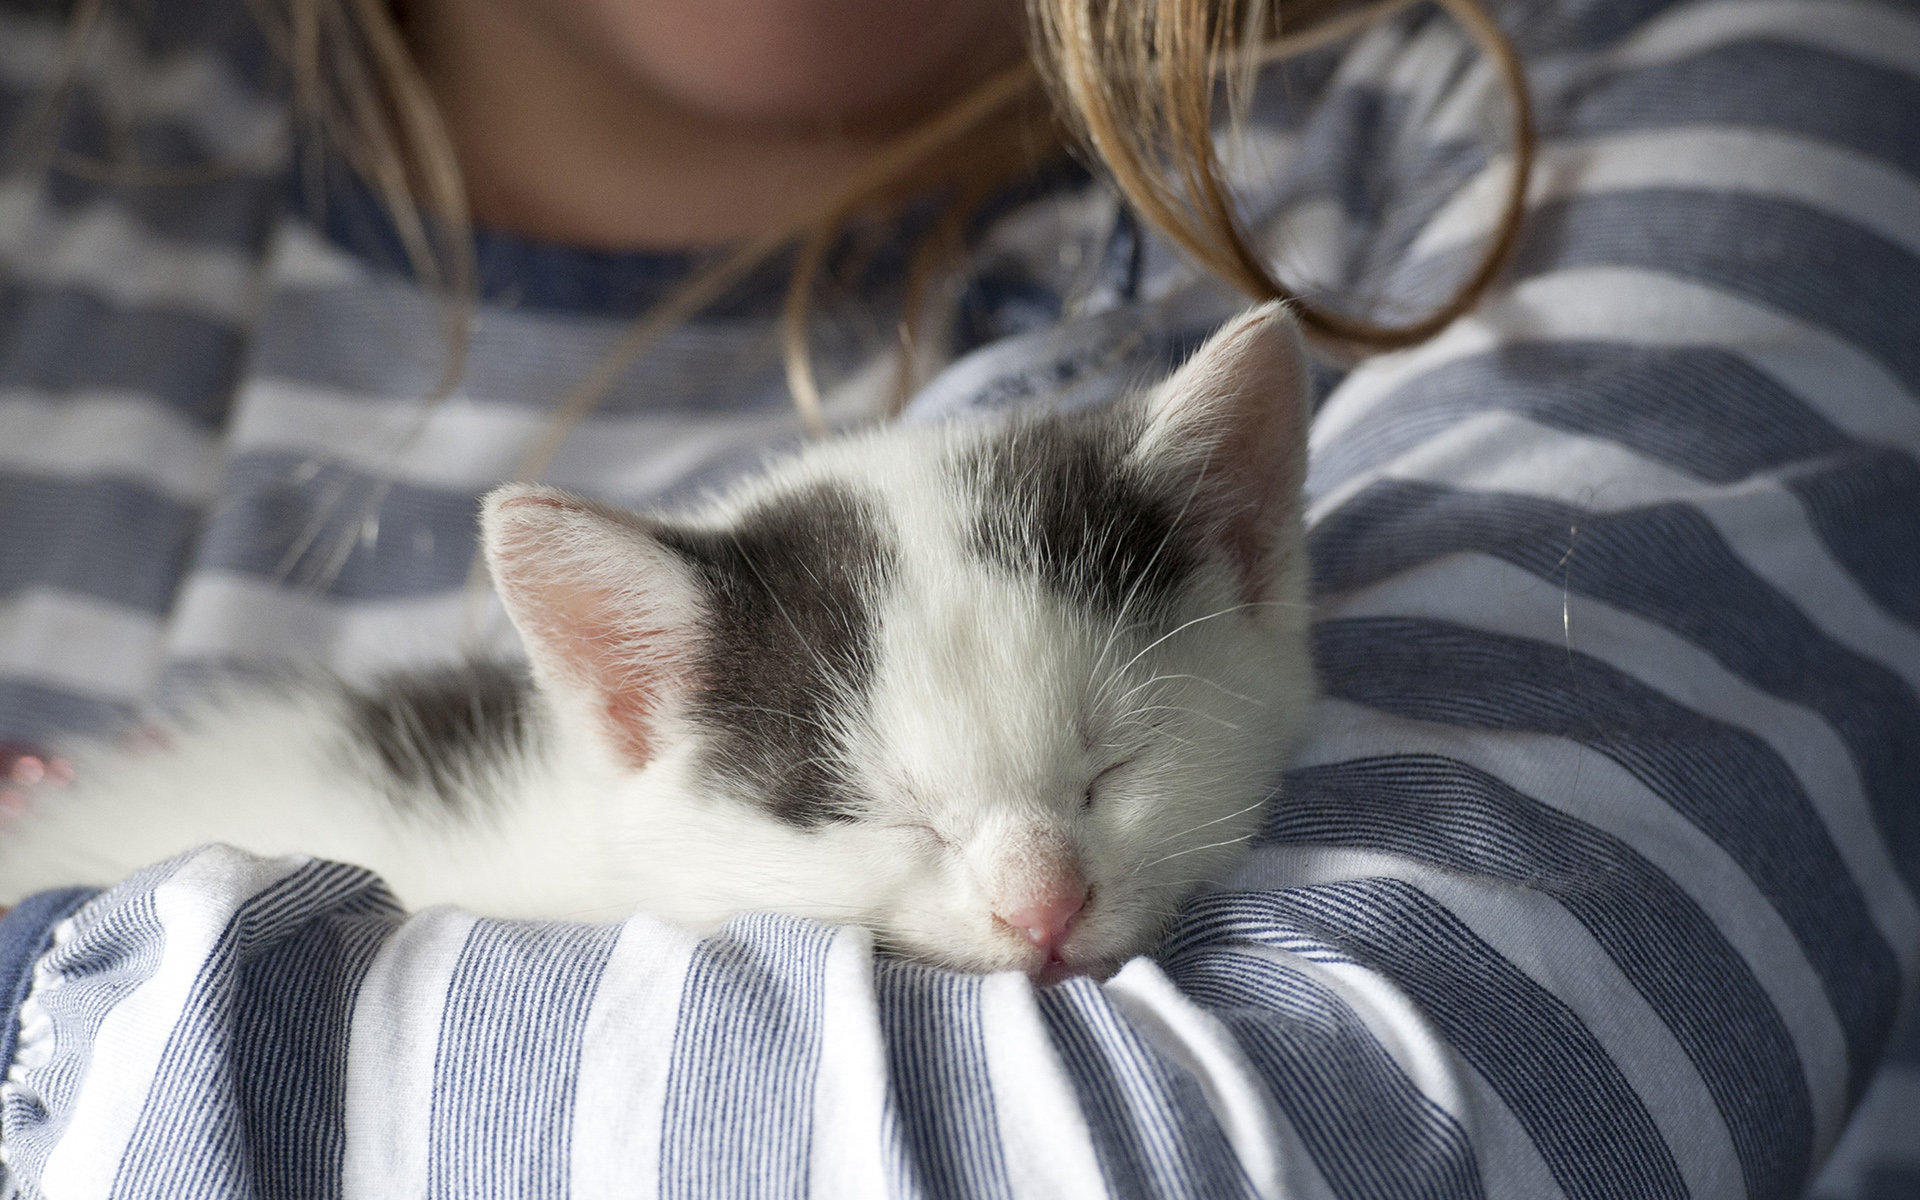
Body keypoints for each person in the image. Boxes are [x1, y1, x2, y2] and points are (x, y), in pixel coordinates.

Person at [1, 0, 1915, 1196]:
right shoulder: (72, 152)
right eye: (902, 821)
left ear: (1249, 550)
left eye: (1108, 766)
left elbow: (1292, 1139)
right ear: (625, 704)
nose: (1038, 898)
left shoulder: (1625, 115)